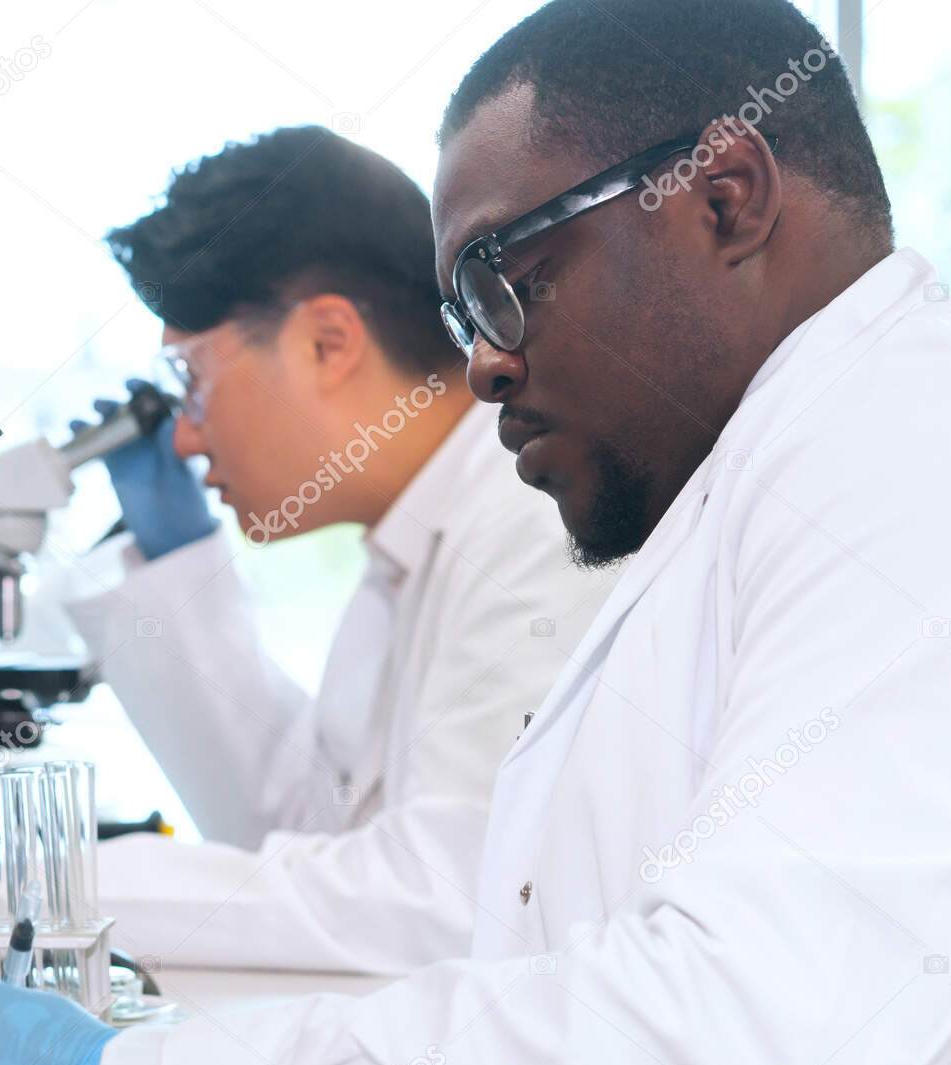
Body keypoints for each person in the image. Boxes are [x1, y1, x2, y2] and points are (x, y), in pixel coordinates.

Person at [0, 0, 951, 1065]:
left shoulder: (932, 435)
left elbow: (747, 1021)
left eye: (507, 279)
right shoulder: (744, 483)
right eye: (462, 312)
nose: (482, 365)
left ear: (724, 199)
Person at [50, 125, 613, 974]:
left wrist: (59, 888)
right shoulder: (410, 543)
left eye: (192, 381)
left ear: (329, 343)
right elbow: (298, 828)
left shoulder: (528, 527)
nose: (186, 438)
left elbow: (442, 900)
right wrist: (177, 564)